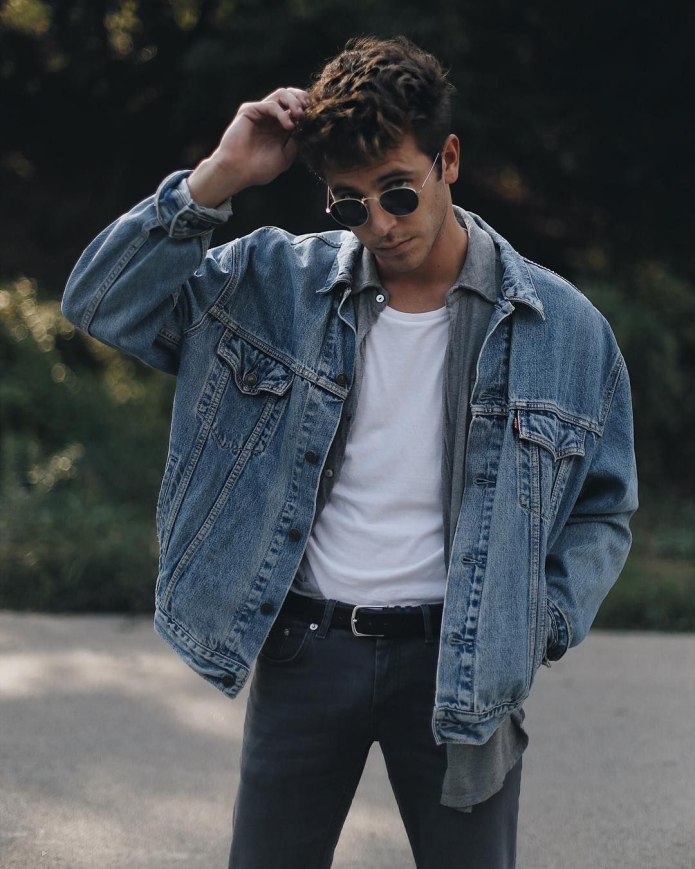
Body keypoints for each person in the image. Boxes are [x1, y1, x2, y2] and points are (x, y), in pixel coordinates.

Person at [62, 35, 637, 869]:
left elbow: (604, 508)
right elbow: (100, 302)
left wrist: (535, 622)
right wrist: (220, 176)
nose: (380, 224)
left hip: (460, 665)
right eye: (349, 205)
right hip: (307, 650)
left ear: (447, 160)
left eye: (397, 193)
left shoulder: (563, 329)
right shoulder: (273, 286)